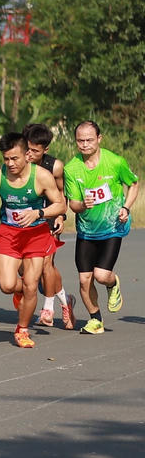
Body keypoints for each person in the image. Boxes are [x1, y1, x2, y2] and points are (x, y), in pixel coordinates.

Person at [0, 132, 67, 348]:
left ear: (27, 155)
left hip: (36, 234)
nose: (10, 163)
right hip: (9, 234)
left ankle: (22, 329)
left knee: (31, 285)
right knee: (7, 285)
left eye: (14, 158)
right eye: (6, 159)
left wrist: (39, 213)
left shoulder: (41, 176)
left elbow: (60, 204)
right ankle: (21, 291)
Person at [64, 121, 138, 335]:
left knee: (101, 275)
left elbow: (133, 184)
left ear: (99, 139)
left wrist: (126, 207)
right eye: (80, 140)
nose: (85, 144)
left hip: (112, 226)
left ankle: (113, 283)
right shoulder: (71, 168)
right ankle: (95, 319)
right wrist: (83, 205)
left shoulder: (115, 162)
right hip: (87, 230)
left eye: (89, 140)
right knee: (84, 279)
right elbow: (73, 205)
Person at [22, 122, 74, 329]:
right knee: (23, 269)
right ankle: (66, 300)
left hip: (49, 218)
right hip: (25, 220)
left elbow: (62, 194)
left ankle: (48, 308)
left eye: (35, 151)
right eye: (28, 149)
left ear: (46, 149)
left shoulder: (55, 166)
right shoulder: (19, 161)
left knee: (46, 265)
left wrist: (61, 217)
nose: (30, 154)